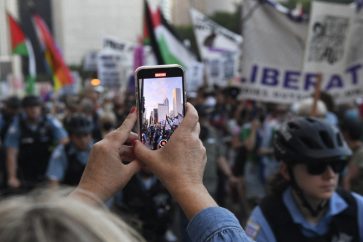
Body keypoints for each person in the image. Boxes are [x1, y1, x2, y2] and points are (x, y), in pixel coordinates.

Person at [0, 103, 251, 241]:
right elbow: (51, 181)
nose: (84, 138)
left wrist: (88, 193)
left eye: (87, 133)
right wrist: (190, 187)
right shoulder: (59, 153)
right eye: (79, 135)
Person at [245, 117, 363, 242]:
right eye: (316, 166)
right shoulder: (264, 218)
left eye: (337, 164)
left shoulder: (357, 207)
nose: (330, 175)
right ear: (286, 171)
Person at [4, 95, 68, 191]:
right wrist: (12, 177)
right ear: (25, 109)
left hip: (47, 168)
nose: (34, 110)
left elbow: (64, 141)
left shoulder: (49, 121)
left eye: (36, 106)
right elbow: (11, 153)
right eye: (30, 107)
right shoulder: (17, 125)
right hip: (25, 172)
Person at [47, 113, 93, 186]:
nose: (83, 140)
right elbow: (54, 181)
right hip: (70, 194)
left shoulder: (98, 149)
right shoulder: (61, 152)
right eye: (78, 136)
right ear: (71, 137)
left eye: (86, 135)